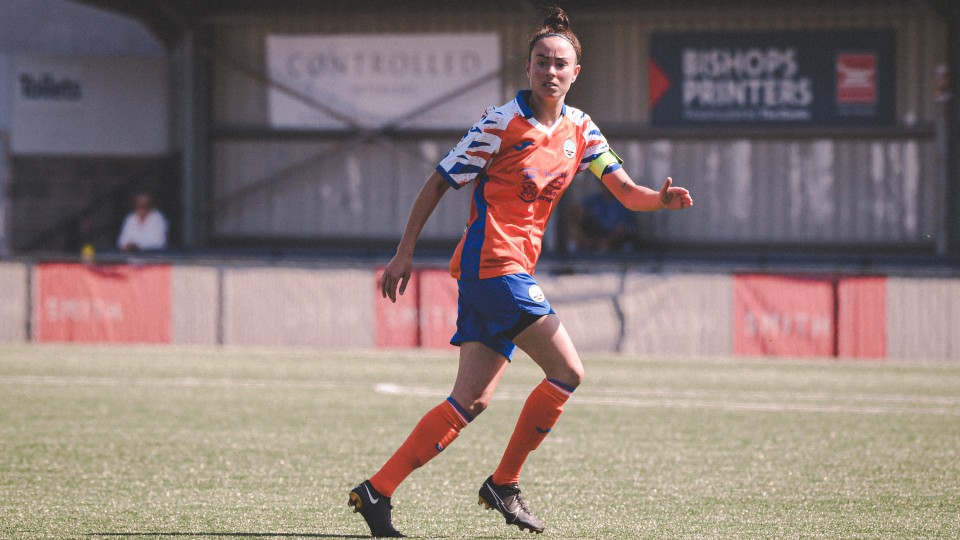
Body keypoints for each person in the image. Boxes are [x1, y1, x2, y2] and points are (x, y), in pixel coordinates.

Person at [349, 6, 692, 537]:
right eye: (541, 62)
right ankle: (504, 483)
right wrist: (404, 253)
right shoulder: (499, 124)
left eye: (560, 64)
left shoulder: (582, 130)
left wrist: (659, 201)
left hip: (501, 273)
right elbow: (439, 181)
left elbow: (625, 191)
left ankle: (377, 491)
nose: (550, 71)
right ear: (527, 67)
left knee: (471, 400)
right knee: (569, 371)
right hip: (494, 267)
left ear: (576, 73)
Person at [567, 187, 638, 253]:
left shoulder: (623, 201)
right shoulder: (595, 199)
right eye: (603, 183)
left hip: (615, 239)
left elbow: (627, 228)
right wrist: (579, 233)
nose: (605, 186)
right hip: (595, 235)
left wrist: (606, 241)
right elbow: (575, 211)